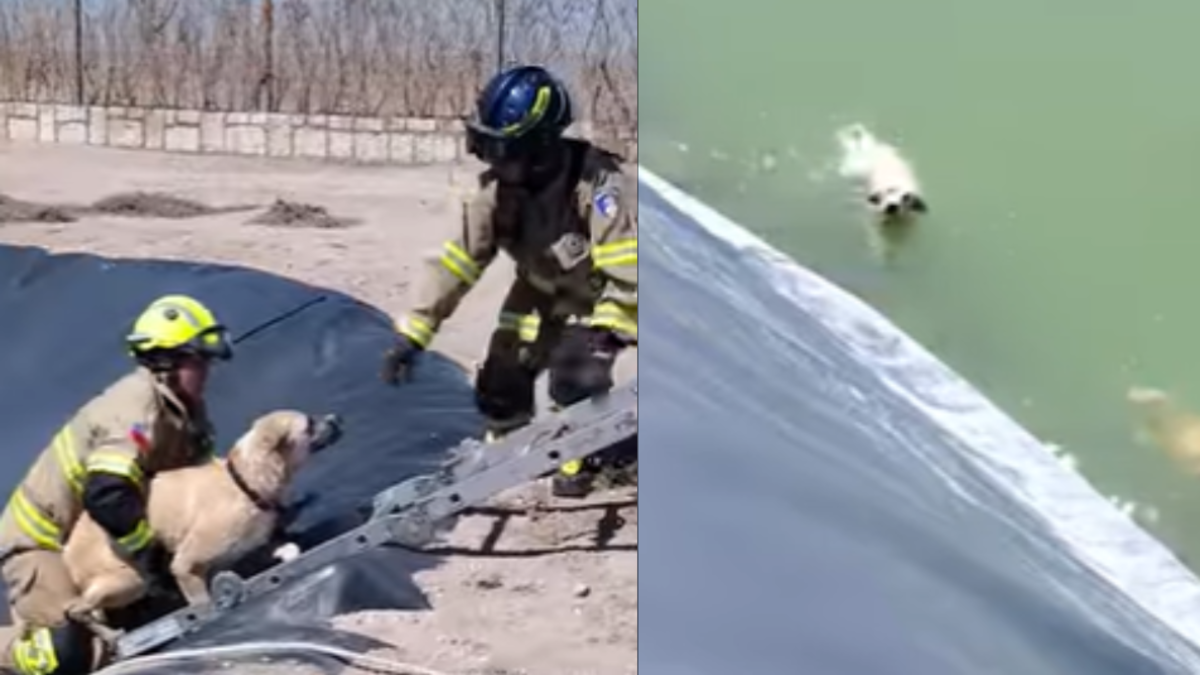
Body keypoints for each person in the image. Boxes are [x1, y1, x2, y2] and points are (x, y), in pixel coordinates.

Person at [381, 64, 638, 499]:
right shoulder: (493, 192)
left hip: (594, 297)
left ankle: (572, 457)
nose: (493, 160)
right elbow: (455, 262)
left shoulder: (598, 183)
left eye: (503, 149)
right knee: (503, 373)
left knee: (576, 373)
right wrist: (413, 336)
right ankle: (503, 454)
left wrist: (610, 332)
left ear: (539, 147)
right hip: (537, 290)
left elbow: (628, 268)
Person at [0, 295, 232, 675]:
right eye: (198, 361)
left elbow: (199, 483)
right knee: (63, 656)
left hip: (99, 543)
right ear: (166, 362)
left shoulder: (186, 414)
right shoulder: (135, 412)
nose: (207, 372)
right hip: (42, 542)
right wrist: (153, 560)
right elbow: (108, 494)